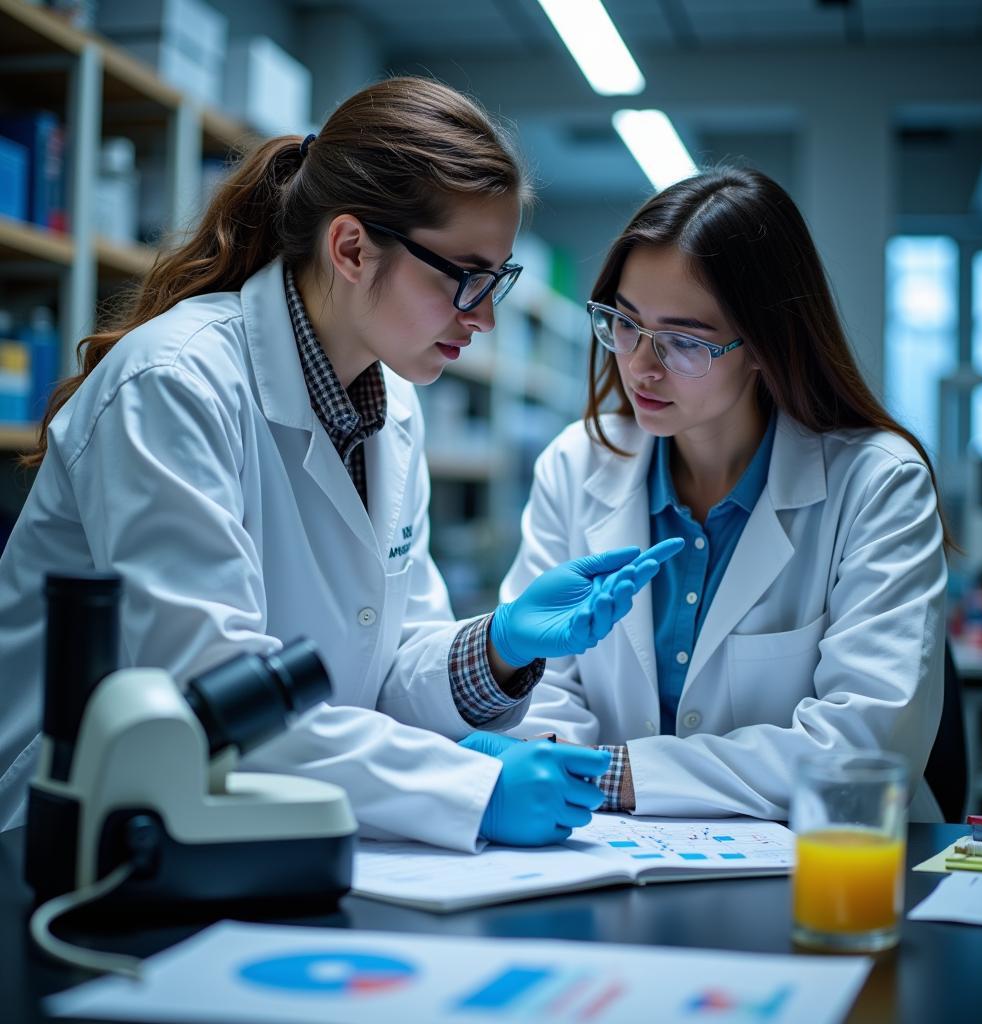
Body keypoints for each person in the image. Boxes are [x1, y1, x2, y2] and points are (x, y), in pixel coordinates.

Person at [0, 77, 682, 851]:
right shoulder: (175, 384)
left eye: (499, 280)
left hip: (254, 826)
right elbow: (216, 700)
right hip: (68, 838)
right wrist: (469, 788)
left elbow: (385, 668)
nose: (486, 316)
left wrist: (500, 646)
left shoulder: (392, 404)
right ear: (352, 248)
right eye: (468, 277)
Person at [500, 167, 950, 822]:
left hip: (827, 872)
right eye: (625, 324)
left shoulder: (879, 483)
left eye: (684, 341)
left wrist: (617, 775)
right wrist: (563, 765)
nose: (642, 366)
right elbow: (541, 689)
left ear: (764, 346)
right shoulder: (576, 465)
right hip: (610, 856)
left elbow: (862, 747)